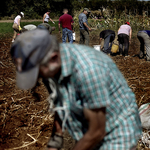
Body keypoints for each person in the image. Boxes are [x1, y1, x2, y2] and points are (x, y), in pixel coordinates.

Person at [10, 29, 142, 150]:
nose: (39, 78)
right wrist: (56, 138)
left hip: (116, 133)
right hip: (89, 126)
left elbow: (97, 131)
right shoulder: (49, 66)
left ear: (53, 58)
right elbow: (60, 102)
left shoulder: (88, 70)